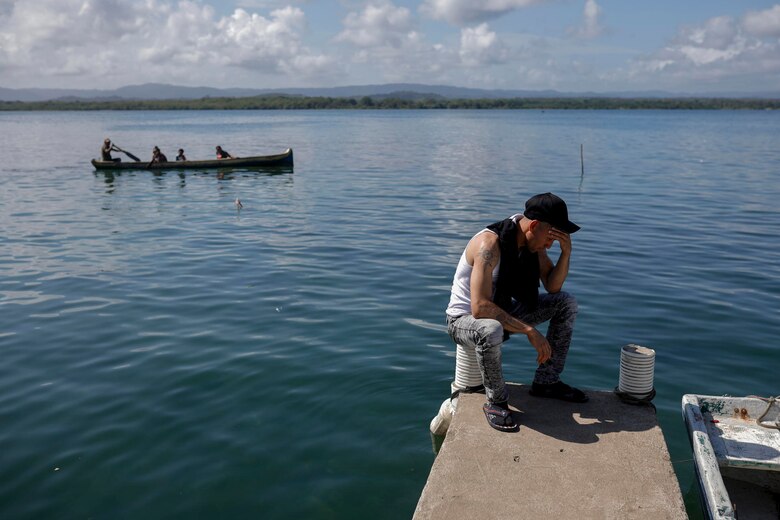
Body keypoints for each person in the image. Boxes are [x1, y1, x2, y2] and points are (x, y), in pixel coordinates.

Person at [445, 192, 587, 433]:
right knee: (491, 328)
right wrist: (529, 330)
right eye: (549, 238)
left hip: (502, 311)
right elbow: (479, 307)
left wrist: (566, 253)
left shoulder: (533, 246)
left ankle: (547, 381)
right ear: (534, 225)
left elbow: (553, 286)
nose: (549, 245)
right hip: (463, 321)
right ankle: (496, 401)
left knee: (566, 302)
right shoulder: (489, 244)